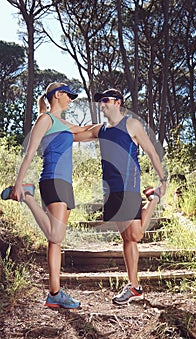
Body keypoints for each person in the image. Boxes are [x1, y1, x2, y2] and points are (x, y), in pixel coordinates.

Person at [1, 82, 92, 309]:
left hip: (65, 184)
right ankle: (27, 196)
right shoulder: (45, 120)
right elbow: (30, 152)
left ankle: (54, 293)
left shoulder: (64, 124)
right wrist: (18, 185)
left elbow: (86, 132)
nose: (71, 99)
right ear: (58, 95)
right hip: (53, 179)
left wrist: (113, 128)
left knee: (55, 241)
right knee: (56, 235)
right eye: (68, 95)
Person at [74, 88, 167, 305]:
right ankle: (153, 198)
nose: (102, 104)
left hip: (129, 185)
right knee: (128, 238)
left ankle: (134, 286)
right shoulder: (101, 129)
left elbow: (151, 151)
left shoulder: (131, 124)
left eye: (106, 100)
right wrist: (52, 124)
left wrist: (163, 178)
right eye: (100, 101)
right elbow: (77, 135)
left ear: (118, 102)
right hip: (111, 189)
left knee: (134, 237)